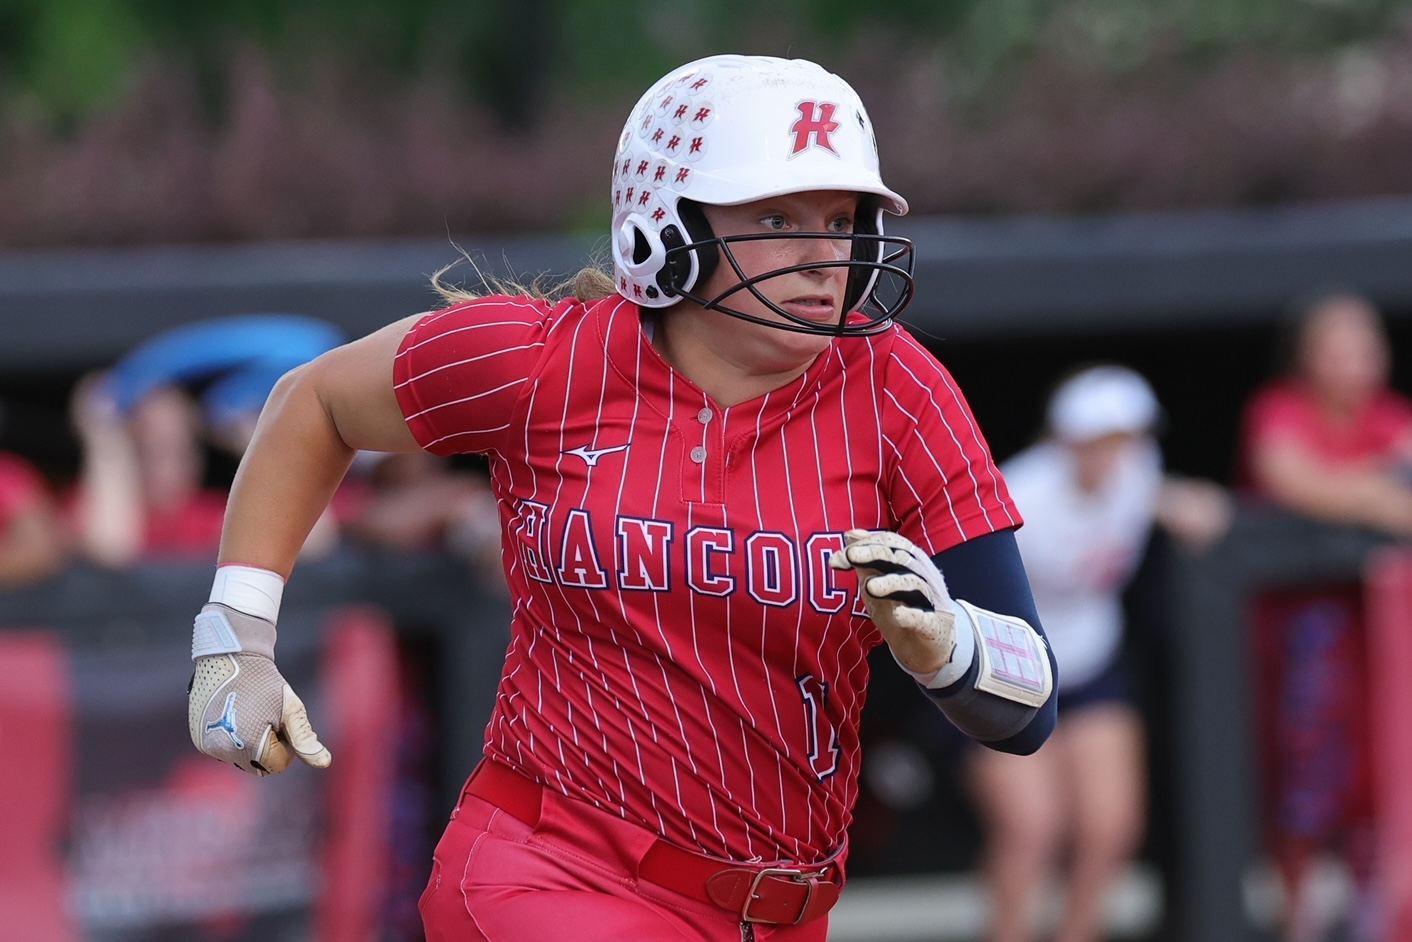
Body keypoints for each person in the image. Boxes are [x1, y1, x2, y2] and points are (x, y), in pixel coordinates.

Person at [184, 54, 1058, 941]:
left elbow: (1031, 710)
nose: (823, 253)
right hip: (550, 869)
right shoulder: (541, 361)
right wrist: (236, 640)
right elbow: (315, 402)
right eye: (778, 217)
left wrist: (952, 648)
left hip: (779, 911)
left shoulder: (899, 387)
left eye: (841, 220)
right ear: (665, 232)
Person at [965, 365, 1230, 942]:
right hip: (1010, 666)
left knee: (1111, 825)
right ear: (1068, 441)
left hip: (1090, 661)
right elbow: (967, 583)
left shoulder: (1138, 472)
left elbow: (1151, 494)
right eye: (1102, 441)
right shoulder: (1018, 499)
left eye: (1129, 439)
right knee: (1032, 830)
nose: (1117, 455)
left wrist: (1188, 502)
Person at [1239, 291, 1412, 942]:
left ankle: (1376, 920)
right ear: (1306, 357)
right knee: (1302, 785)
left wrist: (1354, 489)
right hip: (1296, 640)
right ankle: (1297, 922)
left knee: (1379, 782)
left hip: (1379, 638)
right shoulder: (1279, 408)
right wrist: (1374, 489)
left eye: (1366, 344)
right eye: (1336, 346)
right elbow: (1291, 478)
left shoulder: (1392, 414)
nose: (1355, 360)